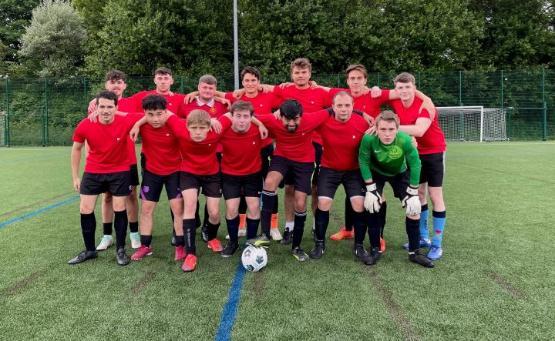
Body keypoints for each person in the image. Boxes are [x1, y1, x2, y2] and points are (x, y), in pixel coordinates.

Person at [69, 91, 143, 266]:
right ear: (96, 107)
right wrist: (75, 176)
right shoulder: (86, 124)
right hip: (93, 171)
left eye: (110, 107)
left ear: (116, 107)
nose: (105, 110)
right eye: (102, 106)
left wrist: (137, 125)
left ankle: (120, 250)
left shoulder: (124, 120)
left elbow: (146, 116)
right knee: (85, 209)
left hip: (119, 171)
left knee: (119, 208)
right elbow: (76, 149)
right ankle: (89, 250)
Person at [255, 100, 332, 261]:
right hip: (281, 158)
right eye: (287, 119)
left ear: (301, 116)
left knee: (300, 202)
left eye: (295, 119)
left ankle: (296, 246)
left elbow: (335, 109)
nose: (291, 123)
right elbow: (247, 114)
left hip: (304, 162)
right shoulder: (272, 119)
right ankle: (265, 234)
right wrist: (260, 124)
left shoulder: (311, 119)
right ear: (280, 116)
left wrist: (363, 114)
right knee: (269, 183)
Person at [359, 110, 434, 268]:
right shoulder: (368, 139)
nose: (387, 134)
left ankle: (415, 252)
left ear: (397, 129)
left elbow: (415, 164)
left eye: (391, 129)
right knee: (372, 206)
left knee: (414, 209)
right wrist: (370, 188)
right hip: (376, 173)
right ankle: (375, 249)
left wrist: (413, 191)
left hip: (400, 173)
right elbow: (363, 161)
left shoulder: (405, 140)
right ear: (376, 128)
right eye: (383, 129)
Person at [386, 72, 447, 261]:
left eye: (408, 87)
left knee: (435, 195)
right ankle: (422, 237)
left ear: (415, 87)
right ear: (396, 89)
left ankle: (437, 244)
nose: (404, 91)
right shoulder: (396, 101)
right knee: (418, 194)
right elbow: (376, 92)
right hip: (414, 154)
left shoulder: (426, 105)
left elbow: (419, 130)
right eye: (400, 88)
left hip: (434, 153)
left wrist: (386, 127)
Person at [308, 91, 371, 263]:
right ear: (333, 107)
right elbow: (306, 122)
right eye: (339, 106)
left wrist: (409, 139)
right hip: (329, 169)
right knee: (323, 203)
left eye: (347, 105)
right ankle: (319, 243)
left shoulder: (363, 122)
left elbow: (383, 133)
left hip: (354, 171)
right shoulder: (324, 121)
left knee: (358, 204)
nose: (343, 109)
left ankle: (359, 246)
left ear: (353, 106)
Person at [87, 70, 141, 251]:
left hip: (127, 159)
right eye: (112, 82)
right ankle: (107, 236)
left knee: (131, 195)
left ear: (125, 85)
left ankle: (134, 234)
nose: (116, 85)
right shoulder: (97, 104)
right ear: (106, 85)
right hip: (104, 161)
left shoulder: (133, 102)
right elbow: (90, 129)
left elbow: (144, 117)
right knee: (107, 197)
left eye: (119, 82)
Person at [127, 95, 185, 262]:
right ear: (144, 113)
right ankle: (145, 246)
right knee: (146, 209)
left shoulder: (174, 122)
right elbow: (117, 114)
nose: (155, 119)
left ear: (166, 112)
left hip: (175, 171)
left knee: (177, 209)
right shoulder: (141, 121)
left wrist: (169, 116)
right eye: (150, 114)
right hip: (152, 173)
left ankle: (180, 245)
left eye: (159, 114)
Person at [219, 101, 265, 256]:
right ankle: (233, 242)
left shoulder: (258, 130)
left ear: (251, 118)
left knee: (253, 207)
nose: (241, 120)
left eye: (246, 116)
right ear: (231, 116)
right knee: (232, 208)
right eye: (238, 116)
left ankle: (250, 242)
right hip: (230, 174)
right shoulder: (223, 130)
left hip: (253, 174)